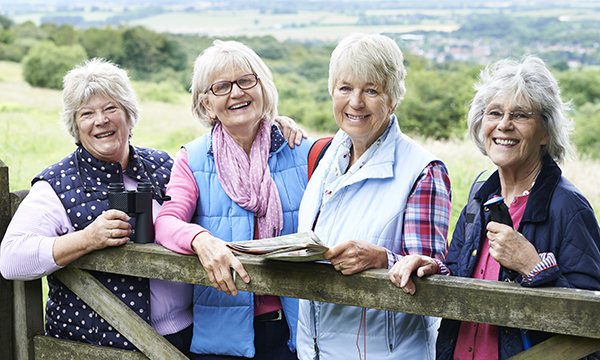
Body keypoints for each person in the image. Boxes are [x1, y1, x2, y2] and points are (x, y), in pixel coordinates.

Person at [388, 55, 600, 359]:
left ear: (545, 132)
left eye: (521, 115)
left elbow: (591, 326)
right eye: (495, 113)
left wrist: (533, 267)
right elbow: (461, 275)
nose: (504, 125)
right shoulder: (480, 196)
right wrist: (433, 269)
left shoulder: (569, 207)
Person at [0, 58, 193, 354]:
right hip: (100, 347)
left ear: (129, 116)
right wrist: (87, 239)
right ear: (76, 127)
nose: (100, 120)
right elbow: (11, 258)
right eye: (86, 113)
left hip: (187, 335)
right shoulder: (57, 184)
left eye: (111, 108)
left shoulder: (164, 166)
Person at [295, 33, 452, 360]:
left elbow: (431, 275)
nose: (355, 102)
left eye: (371, 90)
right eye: (345, 88)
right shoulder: (323, 156)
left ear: (393, 98)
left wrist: (382, 259)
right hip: (314, 351)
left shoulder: (423, 171)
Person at [154, 39, 311, 360]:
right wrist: (201, 240)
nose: (236, 93)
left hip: (296, 329)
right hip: (222, 334)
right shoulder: (193, 158)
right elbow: (166, 222)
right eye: (222, 87)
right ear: (206, 104)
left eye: (245, 81)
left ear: (263, 88)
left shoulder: (300, 150)